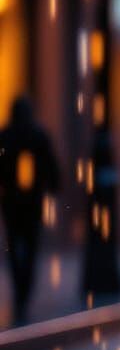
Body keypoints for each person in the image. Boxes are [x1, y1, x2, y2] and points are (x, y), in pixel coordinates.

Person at [0, 96, 61, 325]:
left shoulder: (8, 135)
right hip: (29, 202)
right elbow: (51, 166)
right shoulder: (37, 135)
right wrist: (53, 185)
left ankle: (21, 289)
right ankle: (23, 289)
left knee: (17, 245)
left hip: (14, 203)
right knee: (28, 244)